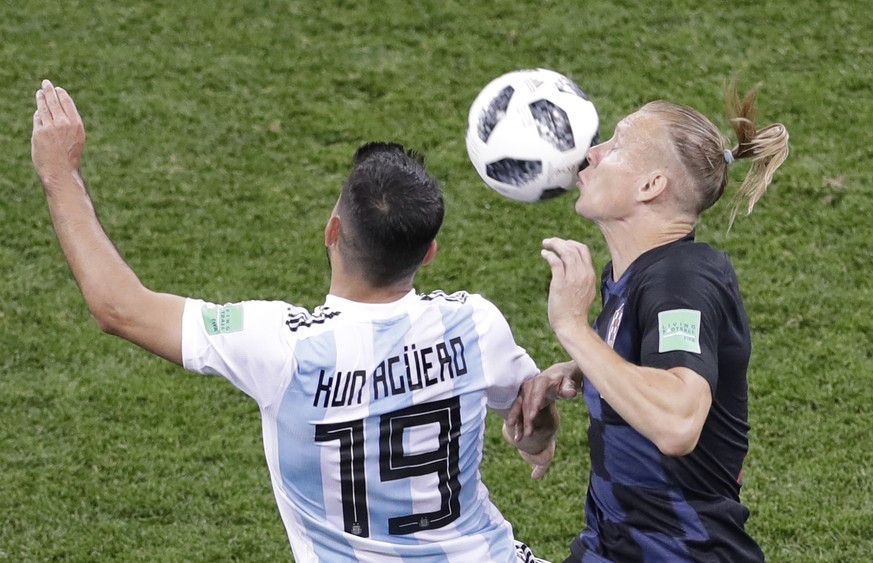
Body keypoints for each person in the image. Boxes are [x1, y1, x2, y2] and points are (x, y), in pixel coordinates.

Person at [31, 79, 557, 563]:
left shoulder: (278, 346)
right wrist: (537, 441)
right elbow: (530, 423)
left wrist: (59, 173)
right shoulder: (474, 325)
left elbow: (118, 306)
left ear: (332, 231)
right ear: (429, 252)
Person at [508, 83, 789, 562]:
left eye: (613, 146)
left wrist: (573, 328)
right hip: (611, 548)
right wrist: (575, 372)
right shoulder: (635, 276)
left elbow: (677, 421)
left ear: (650, 186)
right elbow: (650, 363)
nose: (590, 154)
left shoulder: (682, 280)